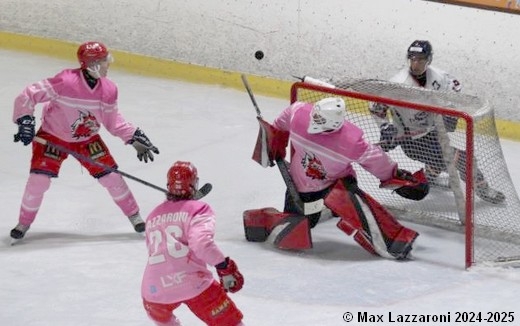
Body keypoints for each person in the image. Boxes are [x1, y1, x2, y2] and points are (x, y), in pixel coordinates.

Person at [243, 97, 429, 259]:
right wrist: (273, 140)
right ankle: (264, 219)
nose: (313, 119)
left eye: (320, 118)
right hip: (300, 184)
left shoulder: (351, 141)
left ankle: (394, 241)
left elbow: (376, 160)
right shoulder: (299, 112)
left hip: (336, 185)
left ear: (333, 123)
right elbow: (279, 126)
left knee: (360, 207)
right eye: (315, 114)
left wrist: (394, 175)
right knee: (300, 227)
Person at [10, 41, 160, 241]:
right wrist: (25, 120)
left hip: (86, 140)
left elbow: (113, 121)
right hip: (52, 136)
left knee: (112, 178)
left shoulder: (108, 89)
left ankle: (135, 217)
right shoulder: (65, 81)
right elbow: (29, 95)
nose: (109, 64)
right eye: (105, 61)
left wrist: (133, 137)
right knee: (38, 180)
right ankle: (24, 222)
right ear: (93, 64)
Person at [369, 40, 505, 204]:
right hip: (412, 141)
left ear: (429, 60)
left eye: (420, 59)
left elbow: (454, 91)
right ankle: (484, 189)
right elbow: (375, 106)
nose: (415, 63)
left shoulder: (440, 77)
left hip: (432, 132)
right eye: (412, 58)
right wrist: (386, 127)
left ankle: (431, 178)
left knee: (441, 156)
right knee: (462, 159)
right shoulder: (398, 84)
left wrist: (450, 112)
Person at [141, 161, 245, 326]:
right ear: (193, 184)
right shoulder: (199, 209)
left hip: (153, 292)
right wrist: (224, 266)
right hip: (192, 283)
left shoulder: (153, 215)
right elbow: (201, 243)